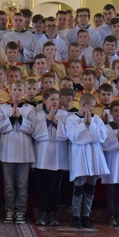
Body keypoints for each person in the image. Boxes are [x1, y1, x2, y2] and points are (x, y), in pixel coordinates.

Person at [65, 93, 109, 229]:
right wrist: (84, 124)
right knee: (79, 187)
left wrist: (91, 125)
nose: (91, 111)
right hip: (80, 157)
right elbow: (73, 137)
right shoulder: (71, 119)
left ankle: (86, 215)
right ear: (82, 105)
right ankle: (76, 216)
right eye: (90, 108)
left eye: (93, 109)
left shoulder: (97, 120)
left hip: (94, 156)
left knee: (90, 188)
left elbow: (101, 137)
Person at [0, 81, 37, 225]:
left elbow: (33, 128)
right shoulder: (3, 108)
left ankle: (20, 210)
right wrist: (11, 119)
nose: (17, 92)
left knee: (22, 184)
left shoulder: (30, 109)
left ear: (24, 91)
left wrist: (20, 118)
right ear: (10, 90)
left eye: (20, 89)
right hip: (7, 151)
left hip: (24, 152)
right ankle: (9, 209)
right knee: (8, 184)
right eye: (15, 89)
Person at [32, 87, 69, 227]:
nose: (55, 102)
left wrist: (56, 122)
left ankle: (53, 212)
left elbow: (67, 134)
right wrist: (48, 121)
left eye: (57, 99)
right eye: (52, 99)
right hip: (42, 156)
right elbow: (35, 133)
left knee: (55, 186)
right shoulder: (38, 114)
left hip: (58, 157)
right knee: (42, 186)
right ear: (44, 100)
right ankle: (42, 211)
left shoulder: (65, 115)